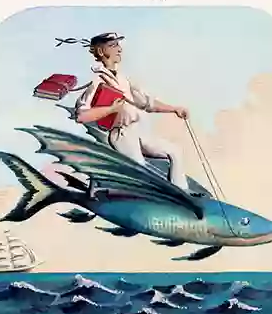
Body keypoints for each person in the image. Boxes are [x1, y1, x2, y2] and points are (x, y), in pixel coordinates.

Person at [73, 32, 197, 194]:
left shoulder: (124, 79)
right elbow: (81, 115)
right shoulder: (97, 81)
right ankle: (102, 187)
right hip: (122, 135)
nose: (119, 49)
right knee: (140, 172)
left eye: (118, 45)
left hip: (138, 131)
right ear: (102, 52)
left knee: (175, 151)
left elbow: (146, 102)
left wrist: (174, 109)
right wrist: (110, 110)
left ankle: (182, 193)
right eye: (113, 45)